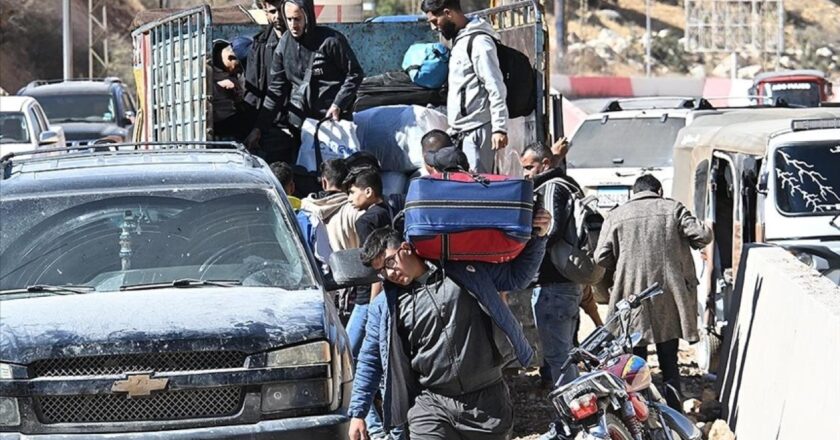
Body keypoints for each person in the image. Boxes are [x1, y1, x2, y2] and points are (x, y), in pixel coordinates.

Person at [348, 208, 552, 440]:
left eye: (390, 262)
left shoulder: (463, 270)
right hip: (431, 403)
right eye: (381, 271)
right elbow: (370, 359)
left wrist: (539, 237)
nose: (389, 273)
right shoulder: (384, 306)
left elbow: (517, 277)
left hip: (487, 401)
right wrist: (358, 413)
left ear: (405, 247)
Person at [594, 174, 712, 411]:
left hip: (631, 298)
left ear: (634, 193)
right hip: (669, 297)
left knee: (634, 364)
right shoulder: (673, 209)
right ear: (658, 190)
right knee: (669, 361)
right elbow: (703, 235)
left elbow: (601, 257)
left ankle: (641, 416)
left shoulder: (617, 215)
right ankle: (674, 415)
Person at [519, 142, 600, 387]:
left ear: (545, 164)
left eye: (529, 167)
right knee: (565, 355)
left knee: (559, 359)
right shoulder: (568, 184)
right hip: (565, 284)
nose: (525, 173)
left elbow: (551, 230)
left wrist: (528, 239)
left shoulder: (552, 187)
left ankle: (576, 416)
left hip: (554, 285)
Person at [250, 0, 364, 152]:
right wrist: (259, 127)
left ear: (308, 17)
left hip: (331, 123)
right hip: (300, 126)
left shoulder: (331, 41)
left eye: (297, 19)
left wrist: (338, 104)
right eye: (288, 19)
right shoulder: (284, 44)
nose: (292, 25)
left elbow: (355, 74)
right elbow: (276, 89)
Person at [422, 0, 508, 173]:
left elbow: (495, 84)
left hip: (477, 130)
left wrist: (499, 127)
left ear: (447, 13)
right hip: (461, 131)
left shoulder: (479, 42)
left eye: (434, 21)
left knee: (477, 186)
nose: (434, 28)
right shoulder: (460, 40)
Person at [343, 168, 395, 440]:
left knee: (349, 361)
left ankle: (372, 428)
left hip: (369, 298)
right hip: (390, 293)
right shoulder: (389, 210)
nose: (350, 197)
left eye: (352, 191)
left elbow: (376, 264)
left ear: (368, 191)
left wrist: (373, 300)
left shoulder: (366, 220)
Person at [243, 0, 296, 163]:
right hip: (272, 127)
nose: (278, 16)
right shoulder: (260, 45)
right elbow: (252, 92)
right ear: (265, 12)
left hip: (301, 123)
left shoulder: (303, 41)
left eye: (281, 11)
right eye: (273, 11)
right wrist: (255, 128)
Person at [210, 40, 248, 142]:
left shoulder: (236, 72)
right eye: (238, 67)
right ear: (230, 58)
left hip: (231, 117)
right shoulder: (206, 65)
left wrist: (238, 95)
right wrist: (218, 85)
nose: (239, 71)